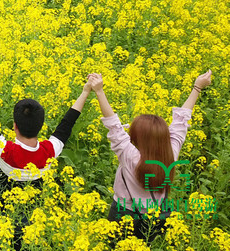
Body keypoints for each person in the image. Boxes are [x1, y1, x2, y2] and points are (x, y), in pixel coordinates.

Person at [88, 70, 211, 241]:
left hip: (124, 214)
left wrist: (99, 91)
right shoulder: (170, 153)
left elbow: (114, 125)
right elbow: (181, 122)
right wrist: (197, 87)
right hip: (157, 217)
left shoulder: (130, 156)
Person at [0, 76, 91, 197]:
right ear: (41, 126)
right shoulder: (49, 152)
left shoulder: (5, 151)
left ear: (15, 126)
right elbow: (67, 123)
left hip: (2, 212)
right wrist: (85, 92)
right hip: (34, 213)